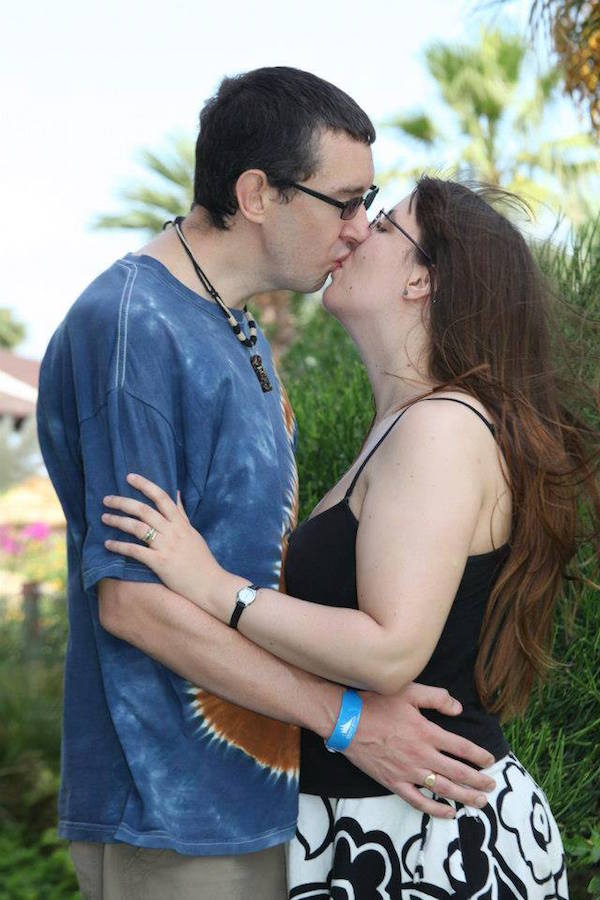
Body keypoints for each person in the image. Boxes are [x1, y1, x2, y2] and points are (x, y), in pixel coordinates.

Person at [37, 71, 497, 900]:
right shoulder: (133, 327)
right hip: (172, 812)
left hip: (259, 801)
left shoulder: (235, 328)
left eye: (370, 205)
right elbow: (133, 602)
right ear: (257, 195)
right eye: (344, 202)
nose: (357, 229)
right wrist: (346, 719)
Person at [102, 176, 600, 899]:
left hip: (428, 842)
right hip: (387, 823)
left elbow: (389, 650)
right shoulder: (409, 425)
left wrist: (214, 587)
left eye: (385, 224)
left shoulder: (440, 427)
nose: (357, 230)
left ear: (422, 281)